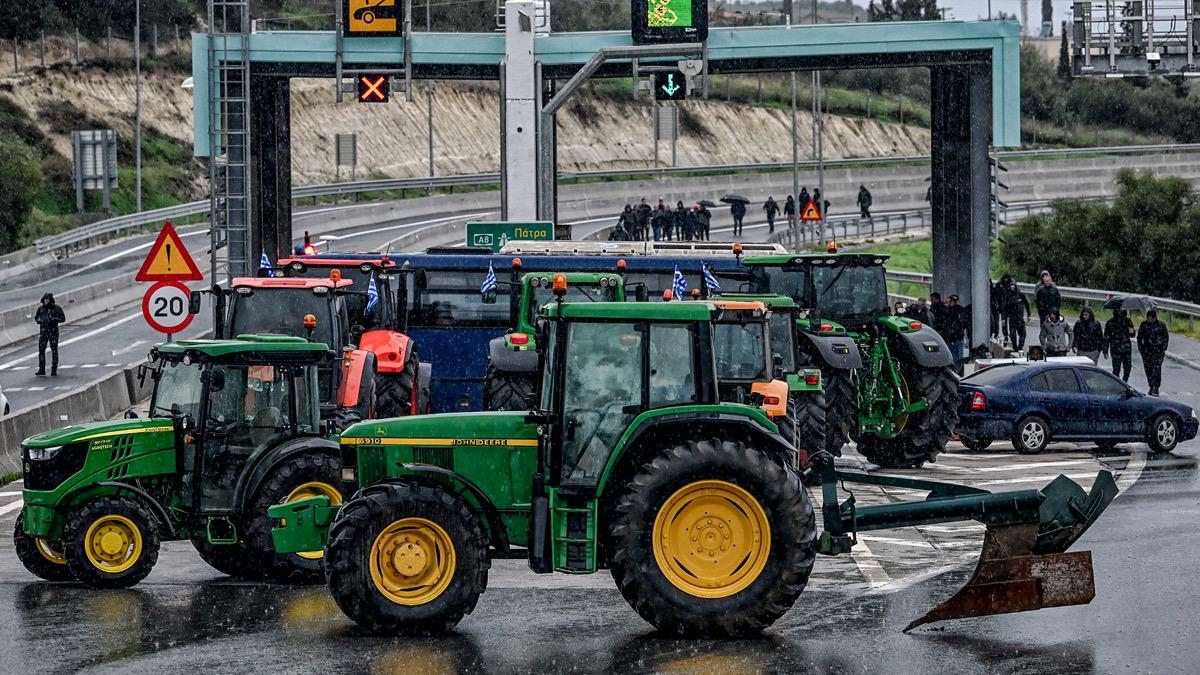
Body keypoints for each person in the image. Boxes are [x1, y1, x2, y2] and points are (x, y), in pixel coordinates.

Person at [1137, 310, 1170, 395]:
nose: (1148, 320)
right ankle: (1151, 385)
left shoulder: (1161, 325)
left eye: (1150, 318)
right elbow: (1139, 337)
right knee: (1148, 369)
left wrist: (1163, 348)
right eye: (1147, 318)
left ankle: (1156, 386)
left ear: (1154, 318)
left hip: (1158, 352)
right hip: (1147, 351)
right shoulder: (1144, 325)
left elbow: (1166, 337)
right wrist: (1141, 349)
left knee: (1157, 369)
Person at [35, 293, 65, 377]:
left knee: (54, 350)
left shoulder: (56, 308)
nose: (45, 301)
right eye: (44, 300)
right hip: (43, 332)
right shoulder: (41, 309)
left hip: (53, 332)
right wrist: (40, 320)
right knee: (41, 350)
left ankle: (54, 369)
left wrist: (53, 319)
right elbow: (36, 318)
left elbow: (62, 318)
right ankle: (41, 369)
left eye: (47, 300)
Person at [1105, 308, 1136, 382]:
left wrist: (1132, 331)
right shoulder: (1111, 322)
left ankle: (1125, 380)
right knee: (1116, 368)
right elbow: (1106, 337)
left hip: (1126, 348)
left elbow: (1132, 335)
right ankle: (1117, 381)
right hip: (1115, 348)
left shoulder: (1128, 321)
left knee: (1127, 367)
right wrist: (1105, 349)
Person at [1002, 278, 1030, 352]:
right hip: (1012, 319)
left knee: (1023, 334)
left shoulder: (1021, 295)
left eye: (1013, 285)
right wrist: (1003, 319)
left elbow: (1027, 304)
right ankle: (1015, 347)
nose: (1012, 287)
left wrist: (1028, 314)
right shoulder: (1007, 296)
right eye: (1011, 286)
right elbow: (1004, 309)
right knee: (1013, 335)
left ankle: (1020, 346)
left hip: (1020, 319)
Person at [945, 294, 968, 366]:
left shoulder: (949, 311)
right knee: (959, 356)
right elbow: (963, 322)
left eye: (947, 302)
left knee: (952, 356)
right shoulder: (961, 310)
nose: (946, 303)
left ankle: (954, 367)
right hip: (958, 336)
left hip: (952, 337)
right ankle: (958, 367)